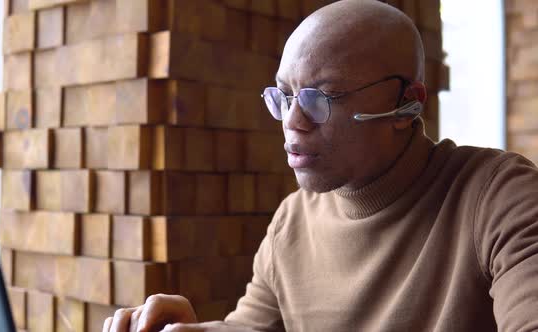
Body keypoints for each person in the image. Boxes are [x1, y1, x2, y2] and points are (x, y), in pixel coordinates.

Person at [103, 0, 538, 331]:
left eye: (320, 97)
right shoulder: (292, 221)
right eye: (284, 96)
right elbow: (251, 327)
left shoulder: (500, 198)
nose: (292, 122)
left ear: (406, 105)